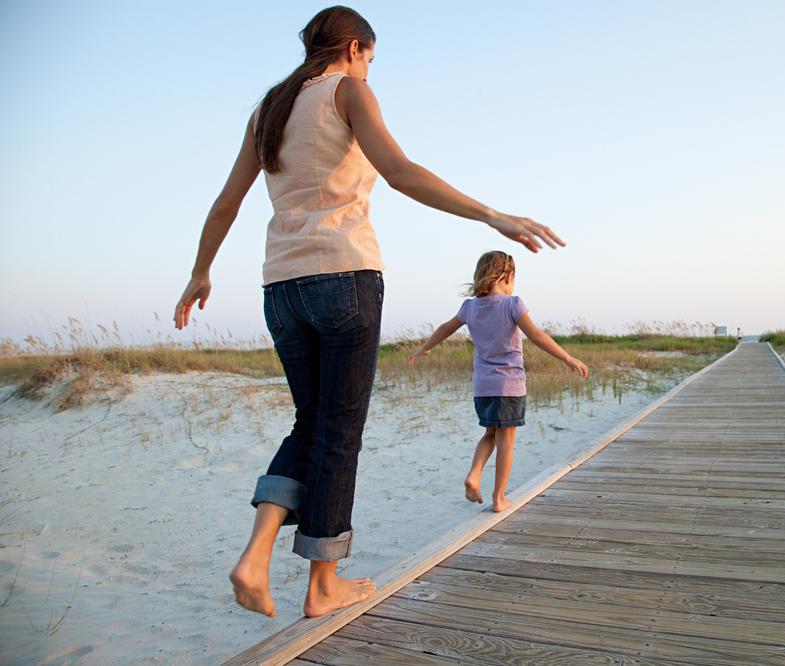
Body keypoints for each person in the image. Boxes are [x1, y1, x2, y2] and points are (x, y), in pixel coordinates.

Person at [172, 6, 565, 619]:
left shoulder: (270, 108)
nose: (370, 73)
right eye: (372, 60)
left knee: (310, 422)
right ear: (353, 49)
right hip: (345, 276)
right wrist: (492, 215)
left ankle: (255, 557)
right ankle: (322, 584)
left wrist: (200, 272)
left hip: (281, 287)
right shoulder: (347, 90)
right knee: (337, 433)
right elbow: (401, 171)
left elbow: (228, 202)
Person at [408, 251, 588, 512]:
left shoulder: (470, 307)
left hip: (483, 387)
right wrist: (568, 358)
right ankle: (499, 498)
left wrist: (425, 347)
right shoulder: (513, 304)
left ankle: (474, 474)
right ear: (508, 276)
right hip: (509, 385)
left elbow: (446, 328)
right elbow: (536, 336)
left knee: (490, 434)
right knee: (507, 441)